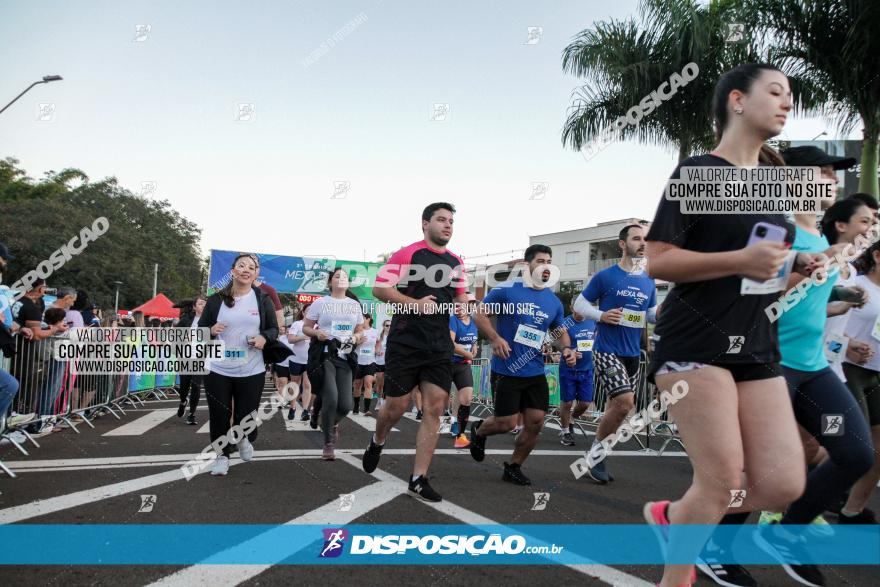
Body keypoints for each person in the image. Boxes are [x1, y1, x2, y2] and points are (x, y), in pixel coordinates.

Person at [643, 64, 816, 587]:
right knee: (719, 482)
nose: (788, 103)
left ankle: (675, 516)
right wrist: (742, 259)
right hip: (694, 342)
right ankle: (676, 577)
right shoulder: (700, 172)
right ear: (738, 101)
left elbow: (758, 281)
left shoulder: (774, 189)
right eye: (776, 92)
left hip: (756, 346)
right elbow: (659, 261)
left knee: (782, 483)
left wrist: (792, 272)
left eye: (791, 96)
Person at [361, 202, 469, 502]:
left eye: (451, 221)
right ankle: (378, 439)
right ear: (425, 224)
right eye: (441, 220)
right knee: (396, 407)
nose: (448, 225)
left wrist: (465, 308)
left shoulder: (456, 261)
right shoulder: (408, 253)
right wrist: (415, 303)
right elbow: (380, 290)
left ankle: (418, 477)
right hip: (406, 341)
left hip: (438, 345)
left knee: (434, 407)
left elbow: (461, 298)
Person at [466, 245, 574, 484]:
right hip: (507, 369)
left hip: (535, 371)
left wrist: (566, 348)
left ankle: (513, 466)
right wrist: (494, 338)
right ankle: (479, 430)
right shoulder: (507, 292)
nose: (546, 266)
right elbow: (478, 314)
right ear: (527, 265)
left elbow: (558, 332)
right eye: (540, 261)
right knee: (506, 423)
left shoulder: (553, 301)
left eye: (549, 262)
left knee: (536, 422)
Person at [573, 223, 657, 483]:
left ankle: (598, 453)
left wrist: (665, 314)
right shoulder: (606, 277)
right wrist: (601, 315)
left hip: (633, 352)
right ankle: (596, 455)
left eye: (645, 239)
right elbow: (579, 304)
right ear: (622, 244)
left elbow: (651, 314)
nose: (642, 243)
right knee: (625, 403)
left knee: (618, 410)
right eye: (636, 238)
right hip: (607, 350)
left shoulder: (648, 280)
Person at [199, 253, 278, 476]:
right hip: (218, 369)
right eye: (241, 265)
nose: (245, 269)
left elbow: (273, 329)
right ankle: (221, 457)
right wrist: (210, 331)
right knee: (219, 414)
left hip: (251, 368)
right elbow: (200, 330)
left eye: (251, 267)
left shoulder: (262, 299)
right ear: (233, 271)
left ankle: (243, 438)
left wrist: (264, 338)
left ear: (255, 274)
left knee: (247, 416)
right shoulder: (216, 300)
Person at [837, 242, 880, 525]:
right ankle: (804, 498)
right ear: (877, 255)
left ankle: (851, 511)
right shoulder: (856, 283)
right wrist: (848, 344)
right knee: (855, 444)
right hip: (847, 368)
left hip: (878, 374)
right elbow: (826, 324)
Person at [303, 268, 365, 460]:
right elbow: (306, 327)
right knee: (331, 397)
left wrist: (356, 337)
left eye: (345, 277)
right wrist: (316, 333)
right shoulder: (320, 303)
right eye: (337, 276)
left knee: (345, 404)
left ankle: (326, 420)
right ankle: (328, 443)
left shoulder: (354, 305)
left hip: (345, 356)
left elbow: (360, 330)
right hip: (324, 355)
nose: (341, 279)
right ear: (330, 282)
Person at [558, 305, 597, 447]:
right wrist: (570, 350)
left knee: (586, 403)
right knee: (567, 402)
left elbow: (596, 339)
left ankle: (572, 419)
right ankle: (565, 431)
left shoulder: (593, 321)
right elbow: (556, 341)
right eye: (577, 310)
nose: (580, 313)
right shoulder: (564, 322)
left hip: (587, 369)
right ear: (571, 308)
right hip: (568, 369)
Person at [449, 296, 479, 447]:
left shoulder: (474, 322)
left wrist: (474, 346)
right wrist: (467, 353)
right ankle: (447, 422)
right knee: (441, 400)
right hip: (446, 364)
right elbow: (451, 343)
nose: (459, 308)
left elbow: (473, 339)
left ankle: (460, 434)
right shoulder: (453, 320)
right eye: (457, 305)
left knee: (466, 398)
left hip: (462, 365)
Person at [176, 295, 206, 425]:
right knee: (184, 387)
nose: (203, 306)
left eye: (205, 304)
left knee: (196, 386)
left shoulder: (210, 321)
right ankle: (183, 401)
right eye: (200, 304)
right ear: (194, 307)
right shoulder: (186, 320)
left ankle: (192, 414)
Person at [285, 306, 312, 421]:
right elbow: (290, 339)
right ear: (303, 312)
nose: (311, 312)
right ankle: (293, 406)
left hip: (310, 361)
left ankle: (305, 411)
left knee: (307, 385)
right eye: (308, 310)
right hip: (296, 359)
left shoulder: (316, 326)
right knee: (295, 384)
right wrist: (303, 337)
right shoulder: (297, 324)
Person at [353, 314, 379, 416]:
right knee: (357, 385)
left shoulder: (375, 331)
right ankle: (356, 406)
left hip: (370, 362)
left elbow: (378, 343)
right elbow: (350, 345)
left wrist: (377, 350)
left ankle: (367, 409)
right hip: (358, 361)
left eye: (363, 319)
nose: (361, 321)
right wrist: (359, 341)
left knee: (368, 383)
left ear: (368, 319)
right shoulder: (358, 331)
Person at [373, 319, 391, 413]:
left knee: (388, 384)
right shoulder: (380, 337)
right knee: (380, 384)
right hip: (380, 362)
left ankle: (385, 402)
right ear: (383, 327)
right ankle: (379, 401)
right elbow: (375, 349)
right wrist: (377, 351)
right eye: (387, 325)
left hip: (390, 363)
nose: (388, 327)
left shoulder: (394, 337)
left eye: (390, 326)